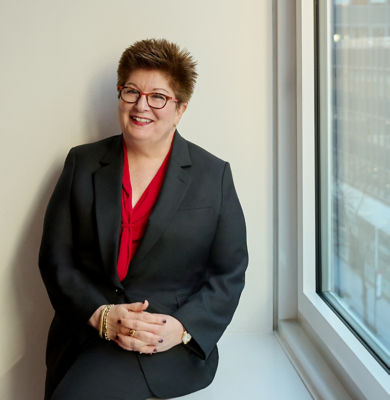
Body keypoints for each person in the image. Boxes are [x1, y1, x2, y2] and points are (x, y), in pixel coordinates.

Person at [39, 38, 248, 400]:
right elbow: (57, 259)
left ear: (180, 108)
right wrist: (101, 316)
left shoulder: (213, 176)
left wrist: (181, 328)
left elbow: (228, 272)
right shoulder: (81, 163)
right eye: (131, 91)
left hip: (162, 342)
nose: (141, 106)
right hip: (87, 329)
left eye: (158, 97)